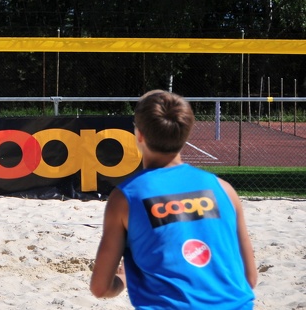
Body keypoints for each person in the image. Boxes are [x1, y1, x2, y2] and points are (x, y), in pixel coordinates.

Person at [90, 90, 257, 308]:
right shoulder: (224, 190)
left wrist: (122, 281)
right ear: (186, 134)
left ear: (139, 135)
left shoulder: (126, 197)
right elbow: (250, 279)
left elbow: (100, 287)